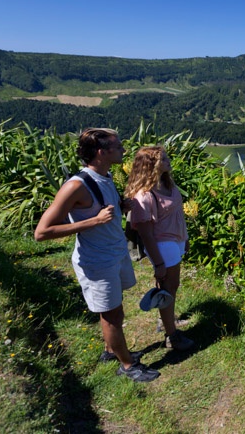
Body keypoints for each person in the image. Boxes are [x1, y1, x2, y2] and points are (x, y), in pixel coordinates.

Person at [35, 128, 160, 382]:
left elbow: (103, 209)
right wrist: (93, 221)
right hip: (97, 262)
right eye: (119, 147)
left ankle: (111, 350)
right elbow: (42, 232)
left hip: (114, 254)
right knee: (112, 315)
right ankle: (127, 366)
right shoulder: (76, 185)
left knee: (113, 309)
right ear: (102, 152)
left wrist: (120, 208)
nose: (124, 150)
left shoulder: (105, 175)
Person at [125, 146, 194, 351]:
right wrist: (159, 263)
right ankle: (171, 336)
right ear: (151, 165)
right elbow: (146, 234)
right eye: (163, 158)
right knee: (169, 287)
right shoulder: (144, 196)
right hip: (163, 245)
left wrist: (186, 238)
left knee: (169, 286)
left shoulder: (167, 183)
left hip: (175, 240)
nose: (168, 160)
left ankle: (166, 321)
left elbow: (178, 214)